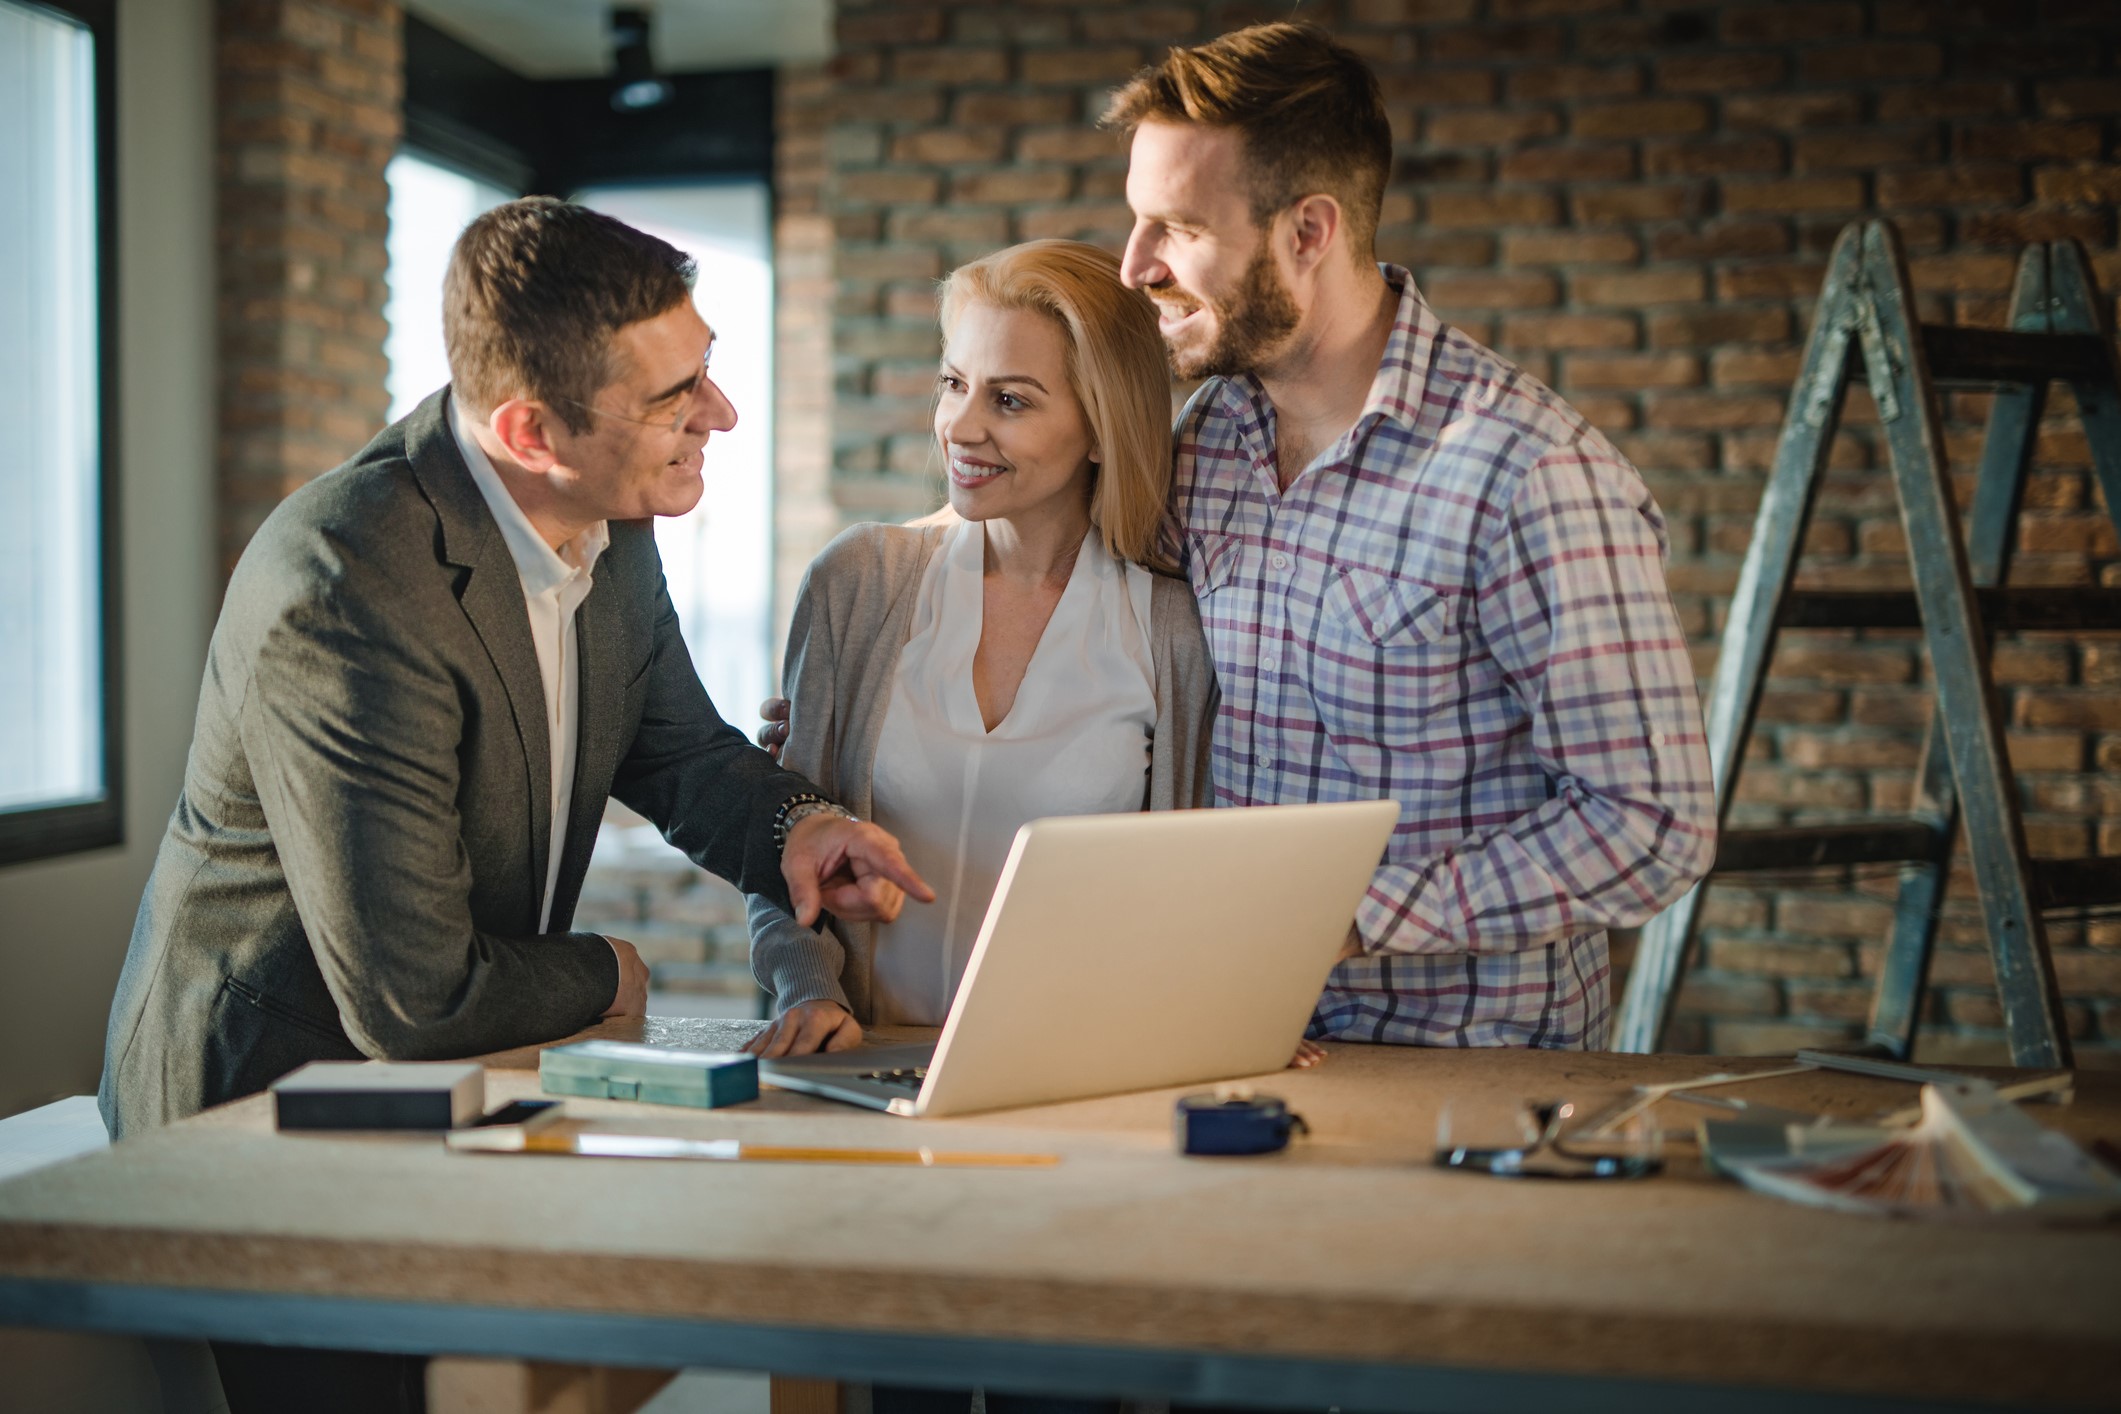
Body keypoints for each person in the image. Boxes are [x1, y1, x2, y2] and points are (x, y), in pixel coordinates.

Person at [98, 198, 931, 1412]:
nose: (723, 416)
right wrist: (610, 974)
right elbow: (412, 997)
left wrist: (795, 824)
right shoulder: (345, 584)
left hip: (460, 1081)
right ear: (531, 429)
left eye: (709, 371)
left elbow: (680, 750)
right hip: (262, 1112)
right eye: (674, 397)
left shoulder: (610, 515)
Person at [1107, 22, 1717, 1050]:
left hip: (1465, 1080)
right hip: (1237, 1040)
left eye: (1178, 227)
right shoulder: (1207, 441)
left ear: (1310, 231)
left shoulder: (1530, 473)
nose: (1135, 267)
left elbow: (1652, 826)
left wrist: (1351, 917)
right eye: (1136, 221)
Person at [743, 239, 1221, 1062]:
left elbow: (1195, 895)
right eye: (954, 384)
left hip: (1082, 1075)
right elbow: (788, 838)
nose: (959, 427)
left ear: (1101, 428)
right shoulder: (857, 582)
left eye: (1010, 400)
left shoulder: (1173, 630)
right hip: (860, 1065)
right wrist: (807, 988)